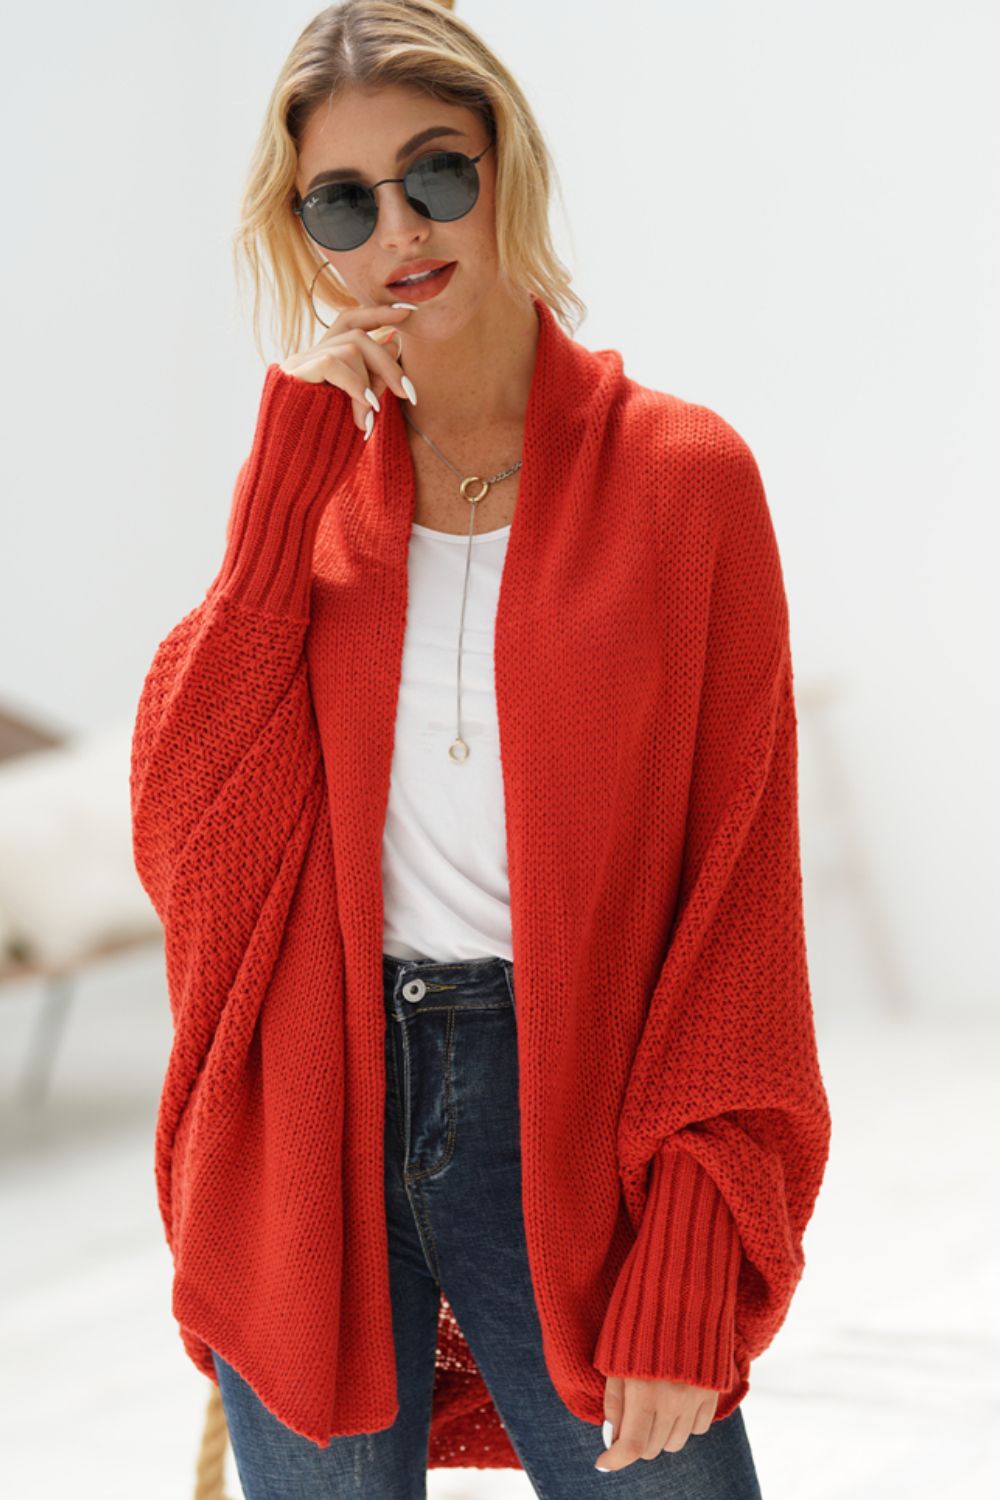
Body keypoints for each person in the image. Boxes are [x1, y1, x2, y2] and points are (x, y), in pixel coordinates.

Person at [129, 2, 831, 1497]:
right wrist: (280, 497)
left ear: (507, 163)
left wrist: (698, 1232)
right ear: (304, 231)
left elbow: (741, 896)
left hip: (575, 1120)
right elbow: (187, 839)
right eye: (344, 200)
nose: (402, 227)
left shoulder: (684, 483)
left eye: (437, 171)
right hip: (313, 1122)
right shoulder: (312, 502)